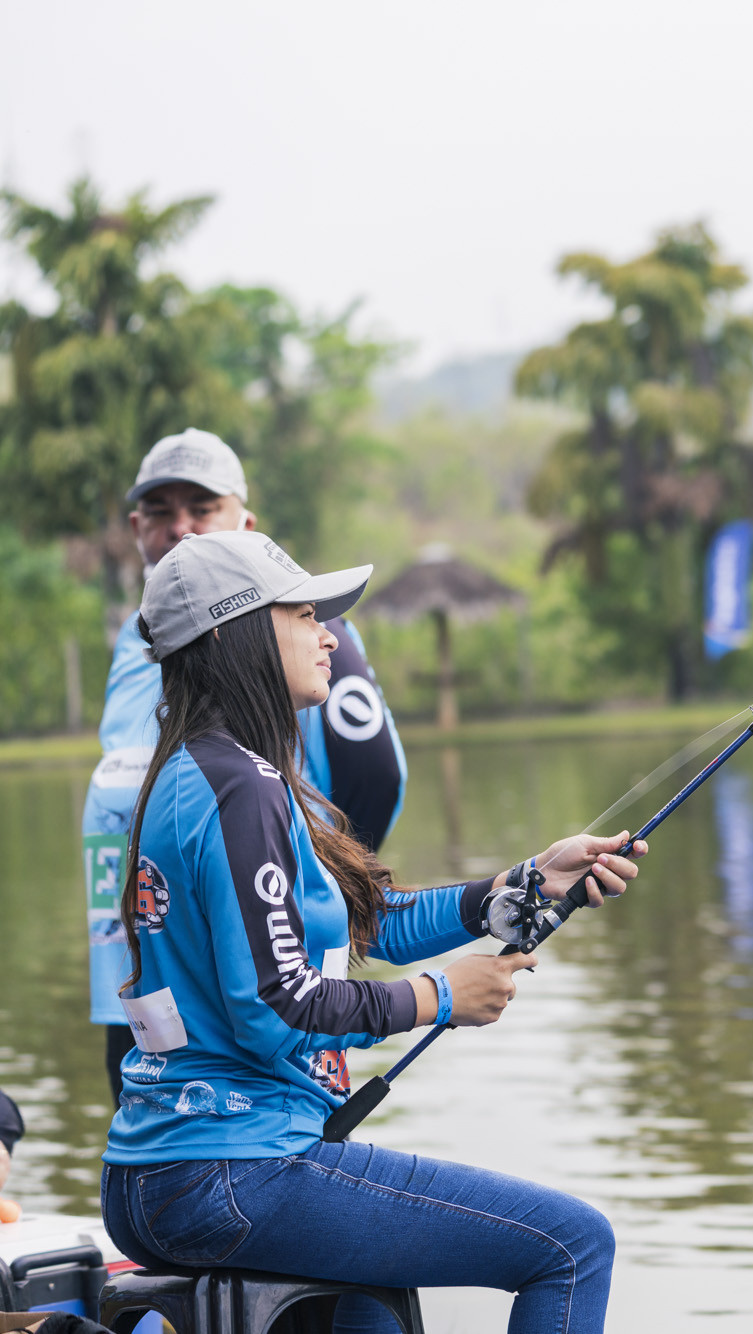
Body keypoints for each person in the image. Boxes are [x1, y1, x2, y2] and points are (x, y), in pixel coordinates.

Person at [98, 530, 647, 1334]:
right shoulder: (239, 786)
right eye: (304, 614)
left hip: (159, 1173)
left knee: (376, 1317)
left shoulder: (205, 772)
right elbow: (276, 1004)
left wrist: (519, 887)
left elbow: (363, 921)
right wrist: (438, 998)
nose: (329, 634)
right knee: (570, 1247)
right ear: (232, 633)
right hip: (230, 1168)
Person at [84, 430, 406, 1103]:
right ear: (136, 528)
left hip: (265, 983)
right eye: (160, 512)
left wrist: (322, 898)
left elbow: (376, 771)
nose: (180, 529)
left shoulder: (298, 634)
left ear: (244, 520)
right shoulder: (133, 637)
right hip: (141, 975)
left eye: (201, 509)